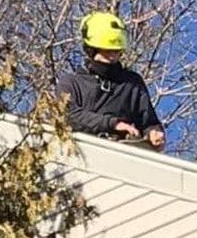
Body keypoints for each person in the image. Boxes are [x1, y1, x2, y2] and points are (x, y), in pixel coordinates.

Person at [57, 11, 166, 151]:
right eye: (107, 50)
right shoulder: (71, 83)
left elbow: (148, 121)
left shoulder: (132, 83)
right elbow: (68, 115)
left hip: (122, 156)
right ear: (92, 50)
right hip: (79, 153)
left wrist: (153, 132)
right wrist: (112, 124)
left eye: (116, 51)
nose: (113, 56)